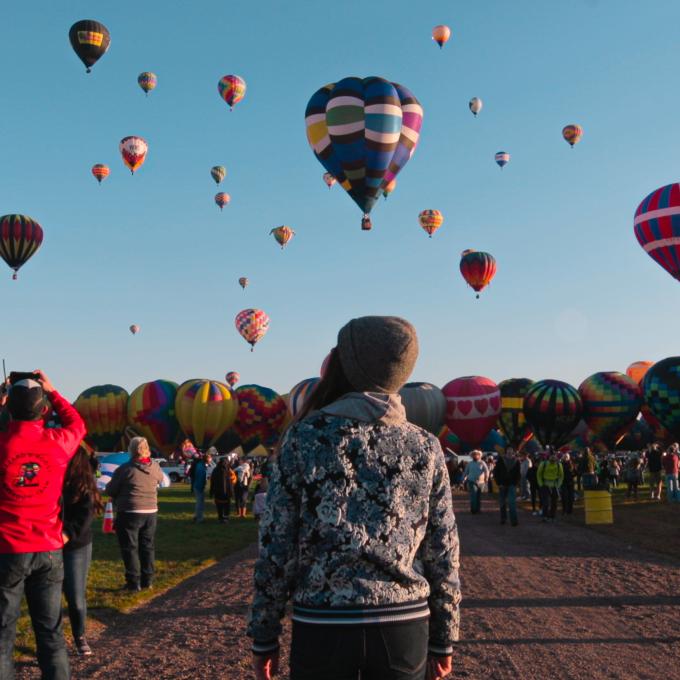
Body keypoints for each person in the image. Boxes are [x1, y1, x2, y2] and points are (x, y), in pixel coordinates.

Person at [247, 316, 460, 680]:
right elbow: (443, 550)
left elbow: (277, 543)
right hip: (404, 621)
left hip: (322, 621)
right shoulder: (425, 445)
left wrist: (265, 633)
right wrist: (444, 637)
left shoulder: (304, 437)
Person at [0, 371, 86, 680]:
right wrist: (54, 391)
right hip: (49, 549)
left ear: (8, 407)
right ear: (45, 409)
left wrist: (3, 395)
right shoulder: (58, 442)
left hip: (7, 549)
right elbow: (78, 424)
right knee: (50, 635)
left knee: (3, 637)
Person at [105, 437, 164, 591]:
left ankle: (133, 582)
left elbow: (110, 490)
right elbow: (160, 481)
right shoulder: (155, 467)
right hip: (151, 511)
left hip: (130, 511)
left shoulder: (125, 469)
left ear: (131, 450)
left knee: (130, 548)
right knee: (147, 546)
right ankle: (147, 580)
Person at [62, 446, 104, 656]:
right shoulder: (53, 477)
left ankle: (79, 636)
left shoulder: (84, 485)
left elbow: (85, 516)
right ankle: (52, 641)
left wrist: (67, 534)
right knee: (48, 598)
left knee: (75, 597)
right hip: (47, 544)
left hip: (75, 545)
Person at [493, 446, 520, 526]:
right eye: (508, 449)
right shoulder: (501, 460)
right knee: (502, 502)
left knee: (512, 502)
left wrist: (515, 483)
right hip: (502, 484)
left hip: (512, 484)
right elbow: (496, 471)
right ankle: (503, 518)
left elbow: (518, 473)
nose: (509, 451)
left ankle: (514, 520)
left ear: (513, 452)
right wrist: (498, 482)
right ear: (506, 451)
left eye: (511, 450)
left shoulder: (516, 461)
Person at [537, 450, 564, 522]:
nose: (553, 457)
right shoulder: (544, 464)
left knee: (554, 503)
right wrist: (541, 484)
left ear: (556, 456)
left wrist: (558, 484)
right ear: (548, 456)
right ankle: (545, 516)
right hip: (545, 485)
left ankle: (552, 516)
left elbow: (561, 476)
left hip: (554, 486)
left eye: (554, 456)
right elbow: (539, 474)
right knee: (545, 503)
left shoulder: (559, 465)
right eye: (551, 456)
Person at [462, 450, 489, 514]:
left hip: (481, 482)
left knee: (478, 496)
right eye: (474, 454)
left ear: (479, 456)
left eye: (477, 454)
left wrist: (486, 478)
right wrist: (463, 478)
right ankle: (473, 510)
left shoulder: (482, 463)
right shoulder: (470, 464)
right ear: (472, 456)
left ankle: (478, 509)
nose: (475, 455)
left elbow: (486, 471)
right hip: (471, 481)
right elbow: (466, 472)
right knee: (473, 495)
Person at [209, 457, 235, 523]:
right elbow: (233, 480)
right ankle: (226, 518)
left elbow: (212, 481)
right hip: (227, 492)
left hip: (218, 491)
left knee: (219, 506)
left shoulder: (215, 470)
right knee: (227, 505)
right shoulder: (229, 470)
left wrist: (211, 492)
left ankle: (220, 518)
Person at [189, 452, 209, 523]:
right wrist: (202, 487)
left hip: (197, 485)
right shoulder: (201, 466)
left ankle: (197, 516)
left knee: (200, 502)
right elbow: (200, 477)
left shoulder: (200, 465)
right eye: (209, 459)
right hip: (199, 486)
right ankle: (199, 518)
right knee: (200, 503)